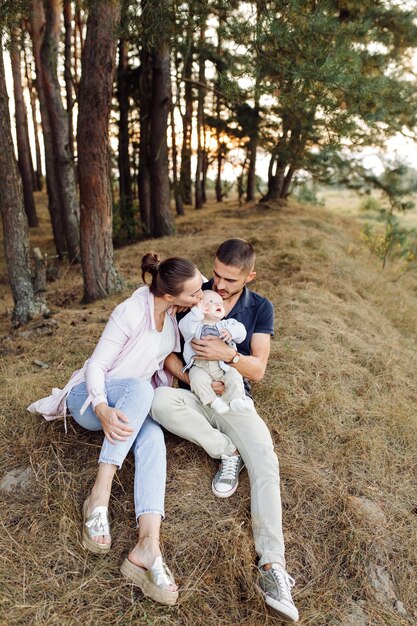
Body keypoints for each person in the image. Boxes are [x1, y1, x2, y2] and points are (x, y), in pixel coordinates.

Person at [28, 253, 204, 607]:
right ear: (171, 296)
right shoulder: (131, 311)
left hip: (131, 406)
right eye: (195, 293)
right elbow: (98, 365)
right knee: (141, 389)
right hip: (91, 399)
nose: (200, 296)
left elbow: (166, 357)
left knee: (154, 439)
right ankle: (99, 494)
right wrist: (102, 406)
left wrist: (191, 380)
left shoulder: (170, 319)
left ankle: (147, 547)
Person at [151, 239, 299, 623]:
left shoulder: (259, 307)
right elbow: (164, 350)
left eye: (229, 280)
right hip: (195, 392)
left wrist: (228, 357)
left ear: (249, 276)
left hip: (234, 399)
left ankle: (272, 567)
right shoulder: (193, 295)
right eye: (215, 273)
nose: (218, 284)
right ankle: (225, 451)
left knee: (266, 462)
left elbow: (258, 369)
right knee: (158, 403)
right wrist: (190, 377)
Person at [179, 290, 251, 415]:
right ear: (200, 306)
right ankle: (212, 401)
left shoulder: (226, 324)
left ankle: (236, 400)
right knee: (196, 379)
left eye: (220, 303)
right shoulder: (195, 325)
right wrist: (196, 313)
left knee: (234, 376)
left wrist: (232, 332)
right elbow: (184, 327)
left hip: (222, 366)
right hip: (200, 366)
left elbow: (242, 332)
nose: (218, 305)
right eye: (211, 302)